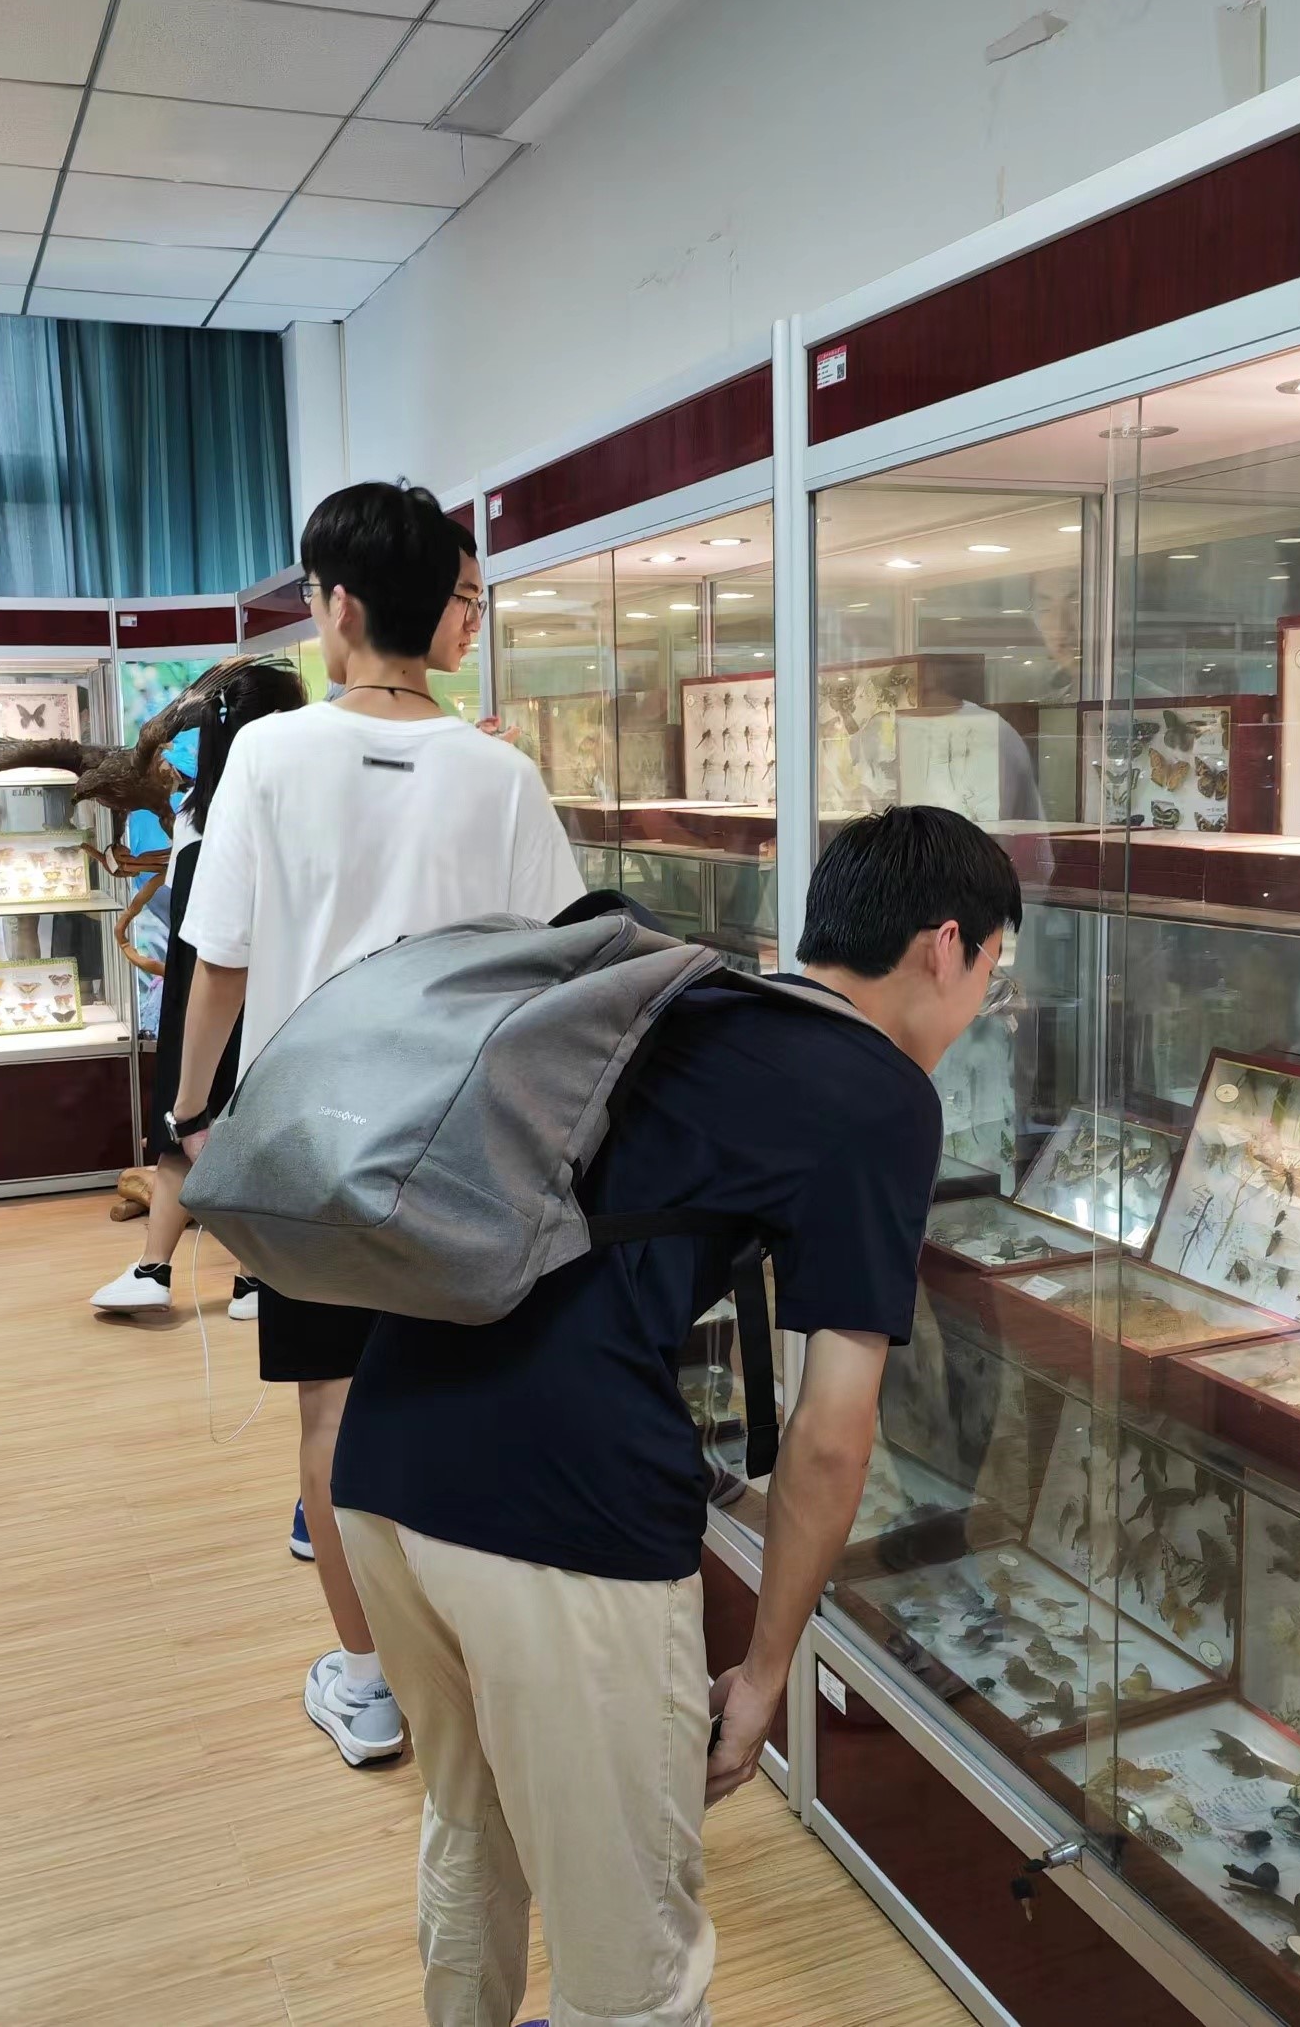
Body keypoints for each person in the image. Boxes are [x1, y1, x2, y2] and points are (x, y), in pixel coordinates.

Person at [330, 805, 1023, 2027]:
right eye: (993, 971)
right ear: (944, 945)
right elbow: (832, 1434)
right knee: (632, 1966)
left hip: (387, 1454)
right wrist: (766, 1672)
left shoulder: (688, 1003)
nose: (984, 1004)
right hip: (562, 1516)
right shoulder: (880, 1094)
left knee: (471, 1829)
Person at [174, 482, 584, 1766]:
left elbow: (223, 961)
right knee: (467, 1404)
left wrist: (190, 1114)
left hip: (308, 1146)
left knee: (332, 1418)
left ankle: (368, 1686)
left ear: (339, 606)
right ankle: (479, 1678)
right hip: (464, 1143)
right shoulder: (501, 772)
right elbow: (559, 965)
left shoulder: (269, 754)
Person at [90, 659, 306, 1322]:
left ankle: (159, 1269)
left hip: (193, 997)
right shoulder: (271, 814)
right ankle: (251, 1278)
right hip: (251, 993)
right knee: (248, 1133)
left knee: (182, 1130)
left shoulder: (193, 810)